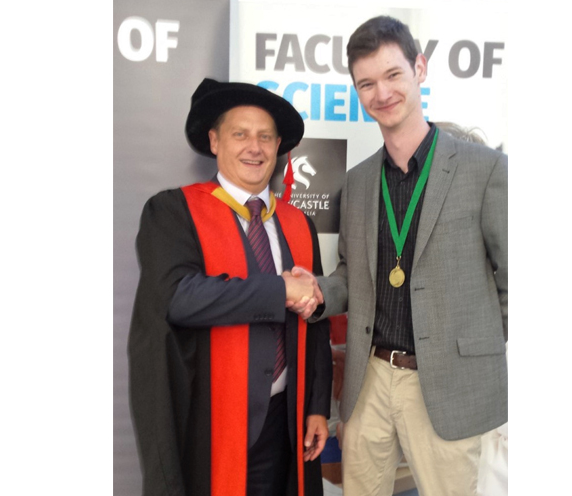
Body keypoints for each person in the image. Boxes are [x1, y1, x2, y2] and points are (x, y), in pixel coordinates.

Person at [288, 16, 508, 496]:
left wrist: (477, 348)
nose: (381, 93)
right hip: (370, 378)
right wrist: (318, 291)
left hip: (449, 382)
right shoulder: (359, 181)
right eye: (367, 83)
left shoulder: (485, 169)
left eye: (392, 75)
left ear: (419, 69)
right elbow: (352, 276)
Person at [128, 78, 332, 496]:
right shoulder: (175, 211)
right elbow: (178, 298)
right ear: (214, 141)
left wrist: (316, 406)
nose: (254, 148)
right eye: (240, 134)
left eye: (265, 137)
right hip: (213, 422)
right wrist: (280, 291)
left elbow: (315, 322)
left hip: (286, 421)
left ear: (278, 146)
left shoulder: (298, 224)